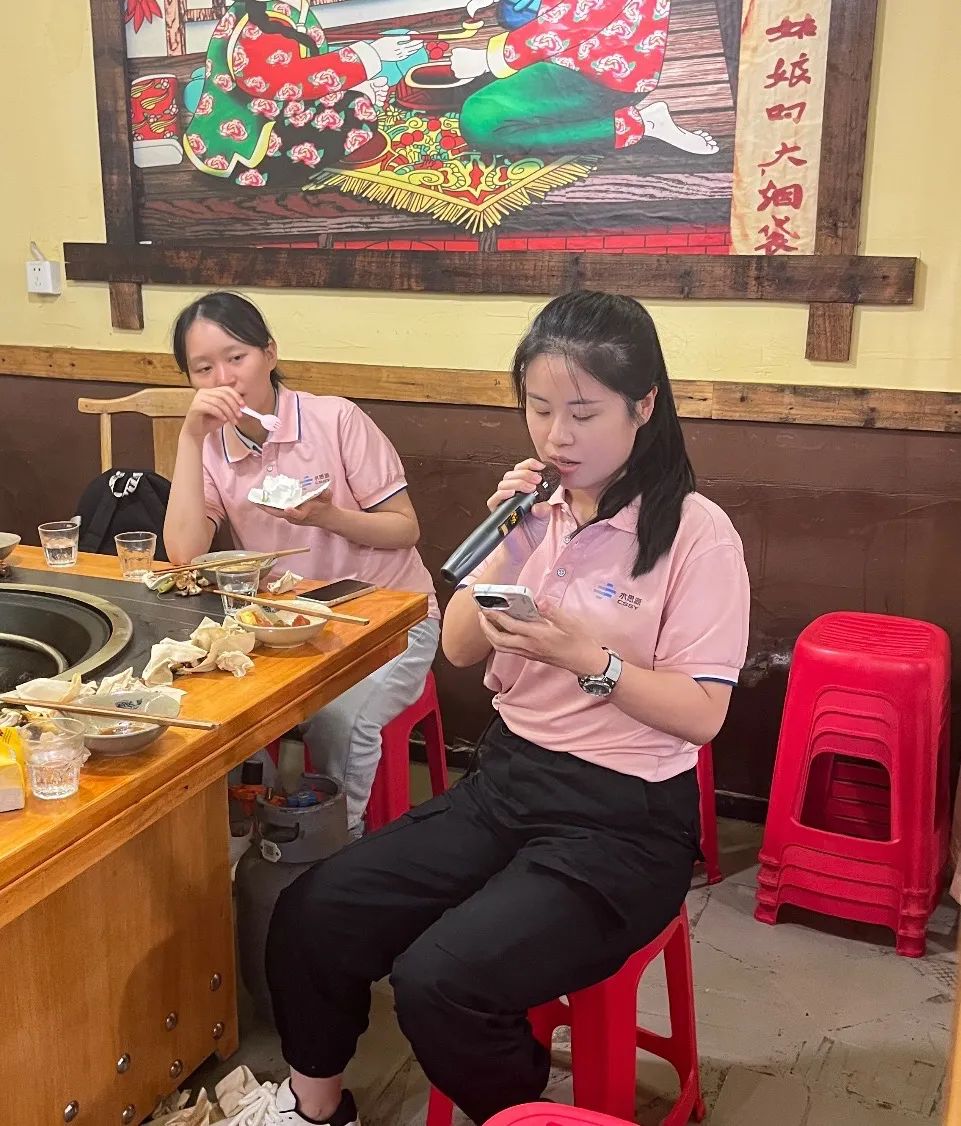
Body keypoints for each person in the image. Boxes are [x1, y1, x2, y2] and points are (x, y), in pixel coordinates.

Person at [254, 290, 750, 1126]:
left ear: (644, 407)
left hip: (624, 819)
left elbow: (703, 716)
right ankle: (314, 1111)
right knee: (316, 911)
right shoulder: (533, 511)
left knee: (439, 979)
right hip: (509, 783)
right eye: (539, 408)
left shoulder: (696, 534)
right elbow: (457, 648)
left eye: (584, 412)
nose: (558, 435)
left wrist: (583, 659)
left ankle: (525, 1108)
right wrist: (510, 540)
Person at [163, 290, 439, 835]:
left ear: (268, 352)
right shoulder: (214, 447)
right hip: (291, 628)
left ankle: (339, 840)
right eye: (203, 368)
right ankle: (265, 826)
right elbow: (184, 555)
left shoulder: (335, 419)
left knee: (338, 718)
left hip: (394, 618)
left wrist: (326, 516)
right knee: (216, 706)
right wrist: (190, 437)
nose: (224, 378)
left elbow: (406, 528)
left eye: (236, 357)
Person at [183, 0, 423, 188]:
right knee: (358, 114)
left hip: (274, 111)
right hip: (247, 148)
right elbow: (284, 81)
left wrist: (354, 85)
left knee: (356, 102)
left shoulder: (290, 9)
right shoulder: (253, 22)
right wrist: (370, 56)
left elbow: (309, 69)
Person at [452, 0, 719, 158]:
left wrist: (486, 59)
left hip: (597, 75)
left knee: (479, 121)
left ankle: (643, 124)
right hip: (569, 58)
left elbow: (574, 21)